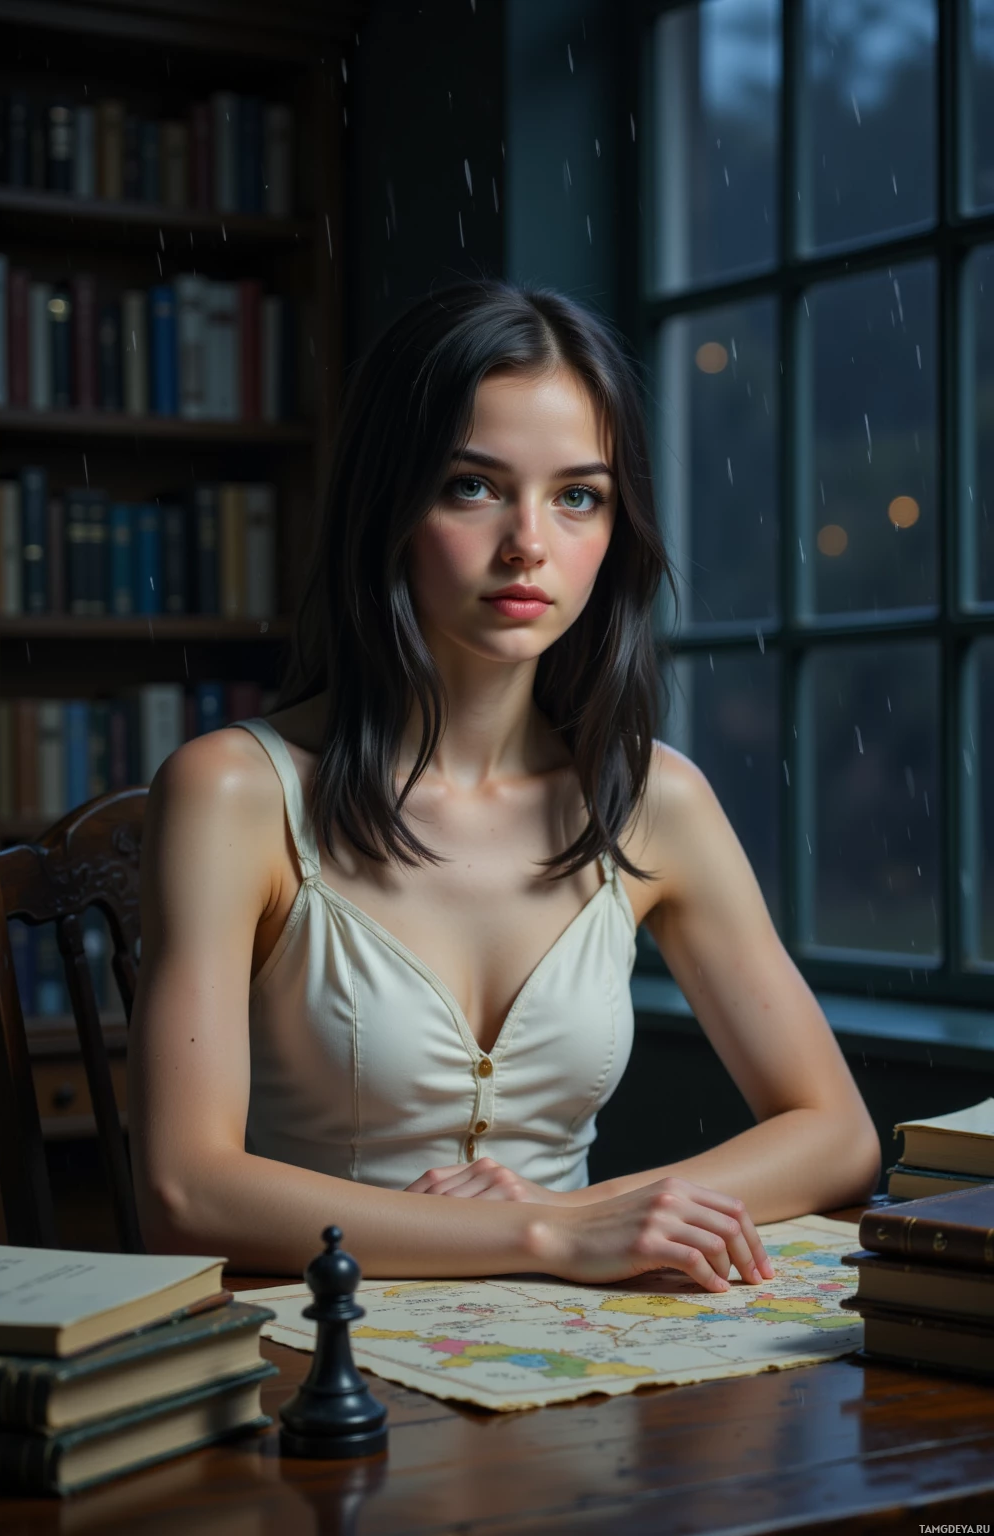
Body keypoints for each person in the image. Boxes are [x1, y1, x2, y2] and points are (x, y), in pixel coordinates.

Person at [128, 280, 880, 1288]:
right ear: (388, 503)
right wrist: (551, 1240)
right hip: (314, 1347)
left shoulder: (654, 800)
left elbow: (836, 1135)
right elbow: (184, 1193)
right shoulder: (232, 794)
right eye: (472, 486)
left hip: (572, 1351)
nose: (529, 542)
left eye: (578, 496)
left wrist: (577, 1214)